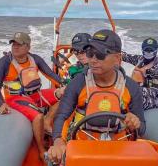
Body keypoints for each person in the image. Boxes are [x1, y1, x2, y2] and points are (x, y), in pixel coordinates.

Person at [48, 29, 146, 163]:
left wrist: (136, 122)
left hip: (119, 151)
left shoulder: (131, 87)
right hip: (82, 149)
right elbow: (62, 116)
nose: (93, 60)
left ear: (117, 58)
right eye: (90, 53)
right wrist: (58, 141)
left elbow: (142, 127)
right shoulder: (78, 83)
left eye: (100, 54)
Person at [0, 32, 65, 159]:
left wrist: (67, 84)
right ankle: (42, 151)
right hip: (15, 98)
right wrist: (2, 104)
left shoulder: (34, 59)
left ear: (28, 47)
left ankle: (48, 121)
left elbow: (51, 75)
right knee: (37, 117)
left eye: (19, 44)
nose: (15, 47)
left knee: (65, 94)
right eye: (13, 44)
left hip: (36, 95)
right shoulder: (4, 62)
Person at [122, 37, 158, 110]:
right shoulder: (140, 60)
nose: (148, 52)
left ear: (155, 51)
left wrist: (132, 89)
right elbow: (126, 57)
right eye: (146, 50)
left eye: (151, 50)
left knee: (132, 101)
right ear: (143, 50)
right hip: (141, 92)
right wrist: (115, 53)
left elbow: (153, 92)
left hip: (156, 99)